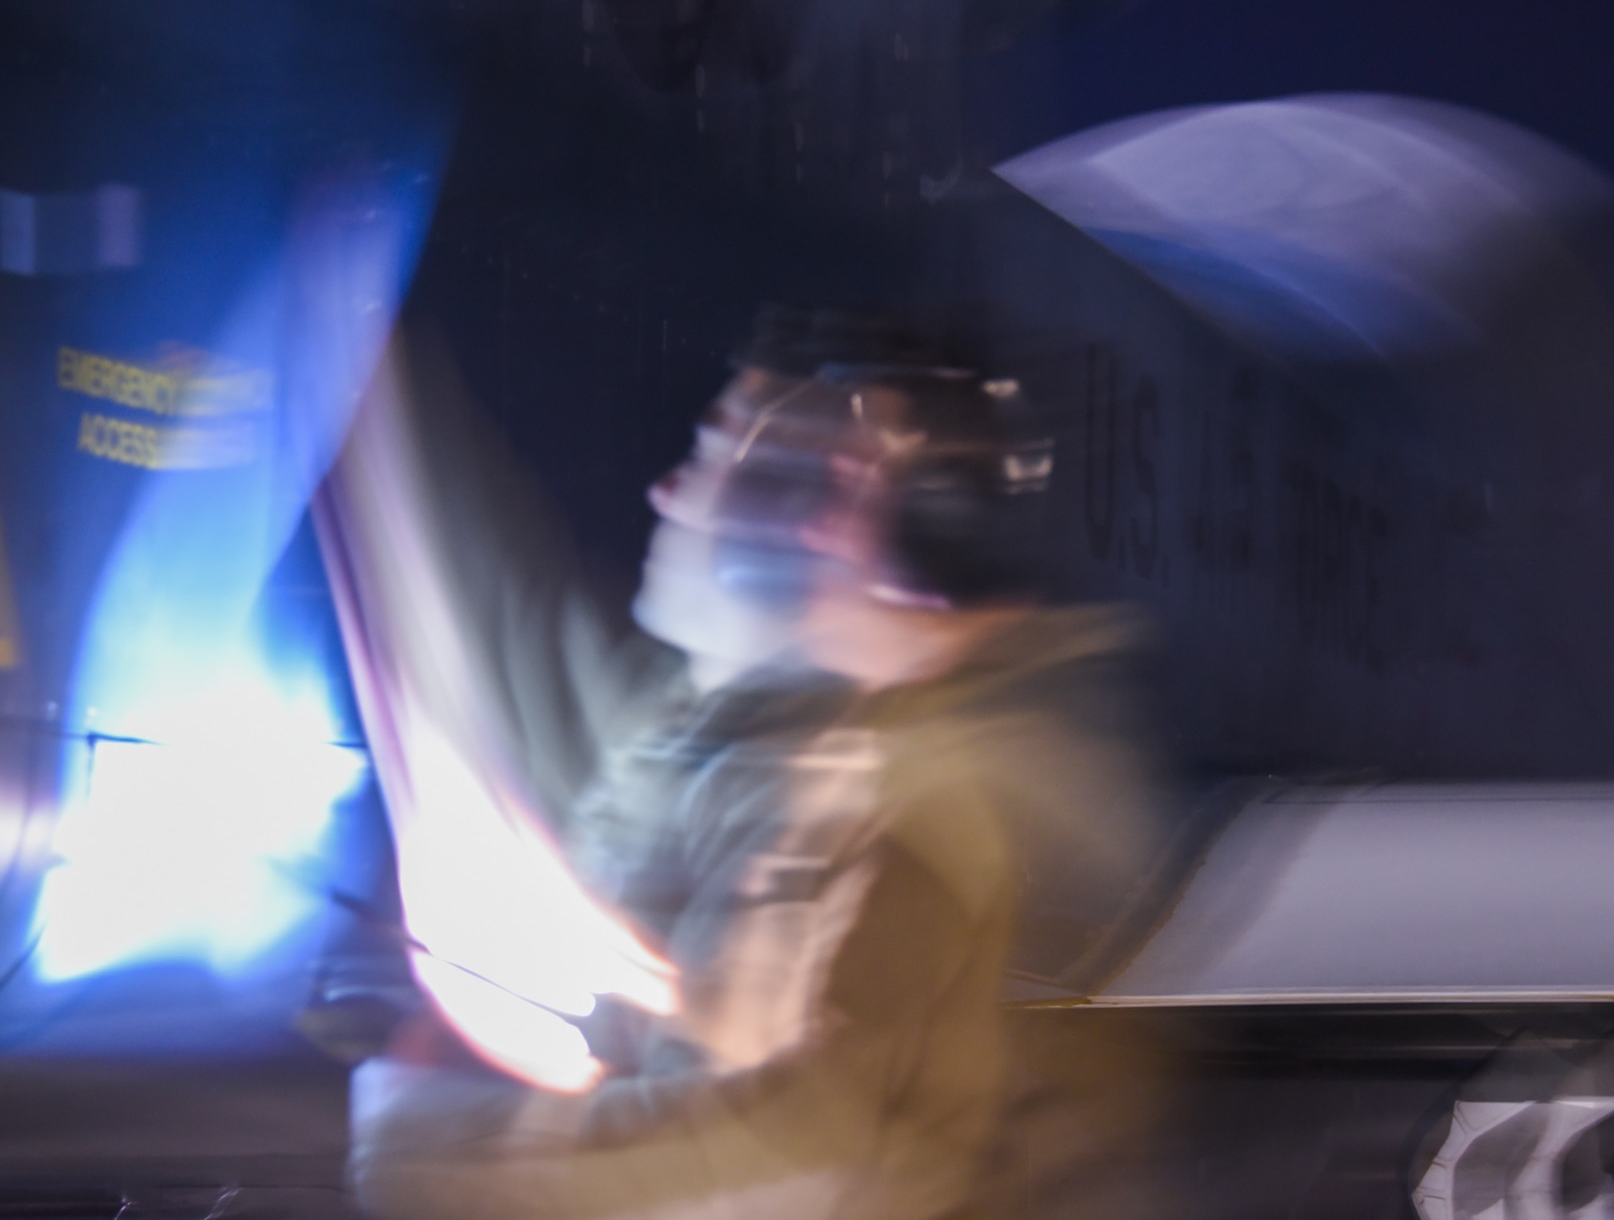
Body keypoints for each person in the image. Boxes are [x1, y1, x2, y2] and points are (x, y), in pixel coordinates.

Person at [316, 306, 1166, 1220]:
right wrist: (362, 359)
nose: (669, 492)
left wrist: (423, 1137)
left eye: (714, 456)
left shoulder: (904, 807)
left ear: (815, 511)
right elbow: (516, 630)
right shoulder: (739, 739)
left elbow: (784, 1154)